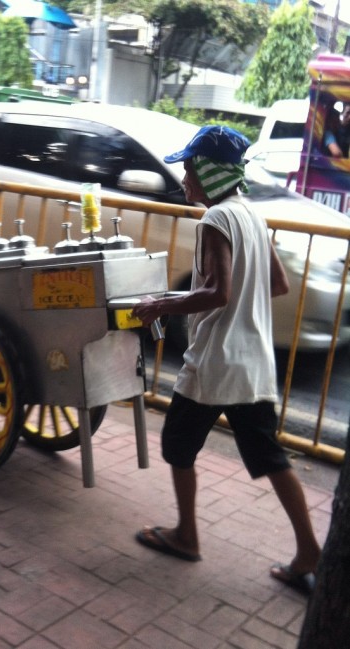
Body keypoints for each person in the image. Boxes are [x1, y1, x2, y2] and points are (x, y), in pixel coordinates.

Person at [131, 125, 321, 596]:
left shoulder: (215, 219)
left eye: (190, 169)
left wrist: (160, 305)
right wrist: (195, 297)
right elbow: (276, 283)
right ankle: (308, 551)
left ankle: (187, 535)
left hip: (215, 362)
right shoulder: (250, 215)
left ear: (212, 174)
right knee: (269, 457)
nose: (184, 179)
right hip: (251, 361)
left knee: (177, 444)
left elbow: (217, 291)